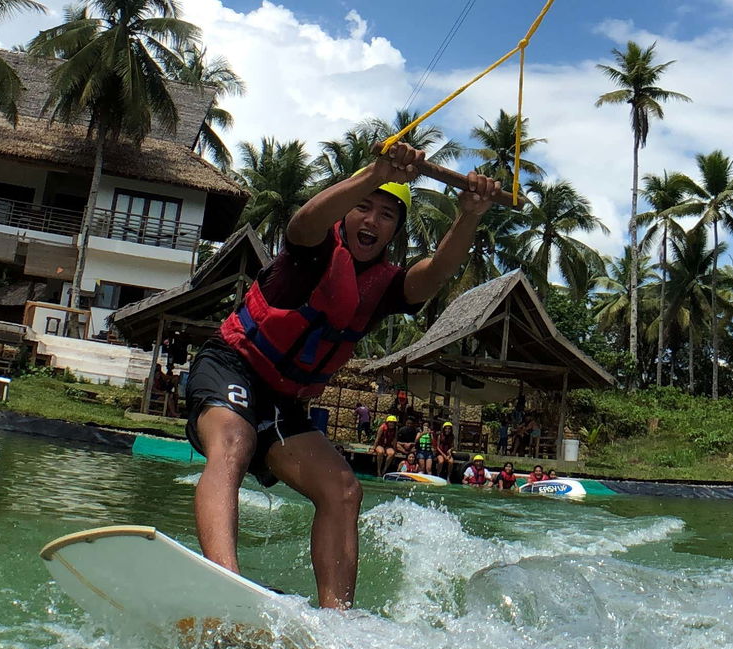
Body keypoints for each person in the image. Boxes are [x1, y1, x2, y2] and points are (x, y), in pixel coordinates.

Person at [183, 142, 500, 609]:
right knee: (233, 442)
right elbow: (303, 222)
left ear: (394, 232)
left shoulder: (388, 287)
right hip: (232, 366)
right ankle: (225, 584)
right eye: (362, 208)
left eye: (386, 216)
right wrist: (377, 173)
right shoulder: (310, 251)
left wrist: (470, 214)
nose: (371, 221)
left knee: (343, 488)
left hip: (284, 402)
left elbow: (437, 271)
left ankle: (337, 621)